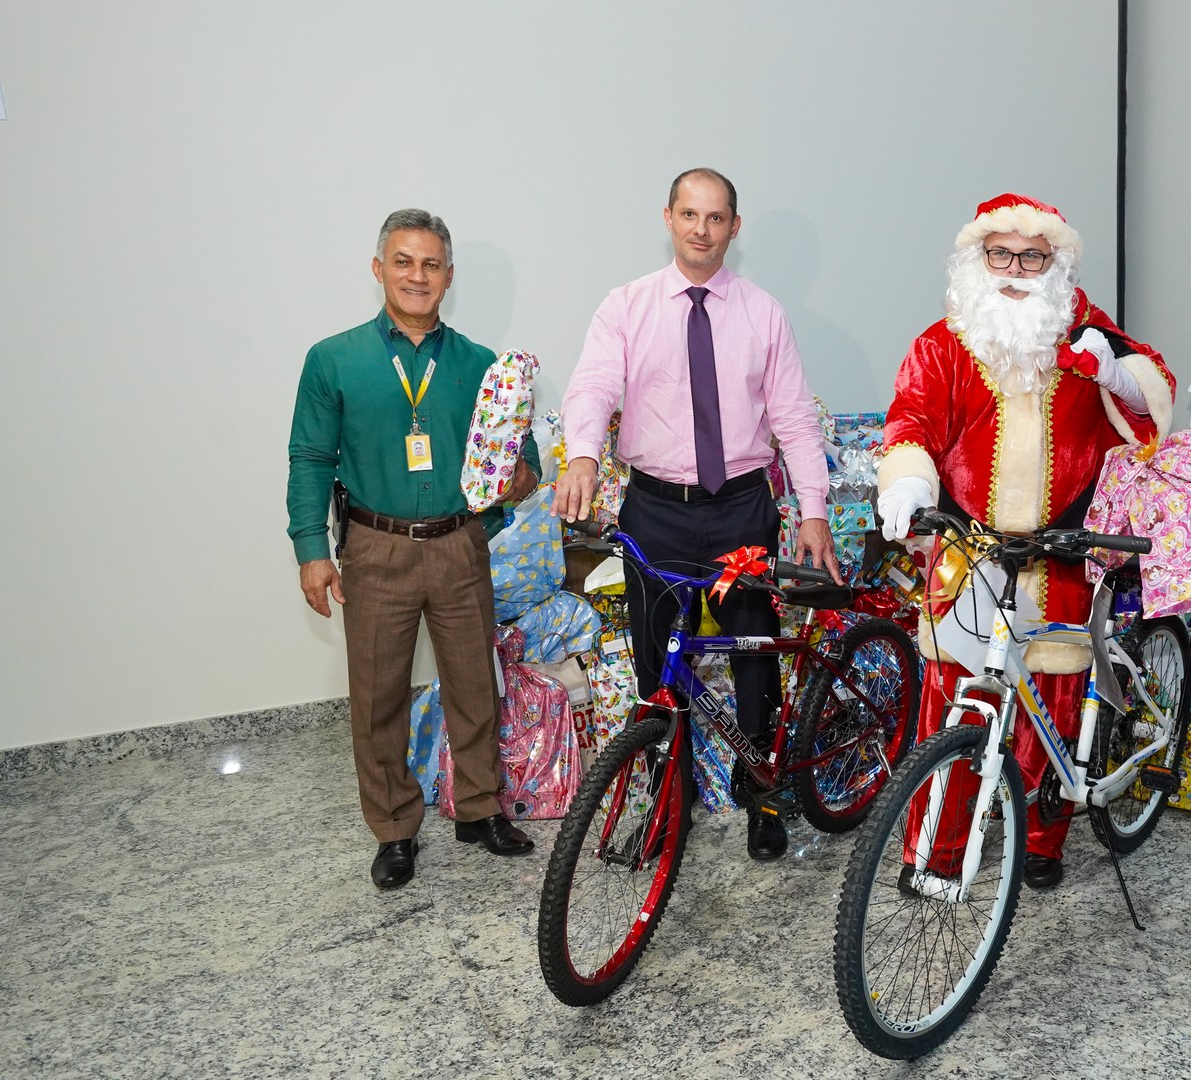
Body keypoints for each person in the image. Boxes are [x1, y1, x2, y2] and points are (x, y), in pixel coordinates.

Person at [876, 193, 1174, 889]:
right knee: (955, 702)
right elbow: (911, 420)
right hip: (970, 554)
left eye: (1031, 255)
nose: (1014, 269)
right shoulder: (941, 343)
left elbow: (1153, 397)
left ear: (1056, 262)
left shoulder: (1087, 332)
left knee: (1056, 702)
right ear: (975, 260)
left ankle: (1042, 839)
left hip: (1062, 553)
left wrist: (1113, 373)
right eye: (999, 253)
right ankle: (936, 855)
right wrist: (908, 480)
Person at [554, 168, 840, 862]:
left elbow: (796, 421)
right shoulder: (627, 306)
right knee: (660, 667)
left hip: (742, 507)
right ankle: (665, 799)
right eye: (690, 215)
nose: (702, 230)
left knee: (753, 661)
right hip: (656, 508)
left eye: (716, 219)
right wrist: (584, 456)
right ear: (669, 218)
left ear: (733, 229)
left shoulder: (763, 312)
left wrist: (813, 511)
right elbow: (593, 385)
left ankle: (762, 797)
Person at [288, 208, 542, 890]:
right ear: (379, 270)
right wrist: (313, 549)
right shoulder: (332, 359)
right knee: (377, 699)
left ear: (449, 278)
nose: (416, 275)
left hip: (459, 548)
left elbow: (524, 461)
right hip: (376, 550)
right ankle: (395, 829)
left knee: (474, 689)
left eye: (431, 264)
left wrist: (515, 483)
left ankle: (480, 810)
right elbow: (310, 457)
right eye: (403, 261)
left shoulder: (483, 366)